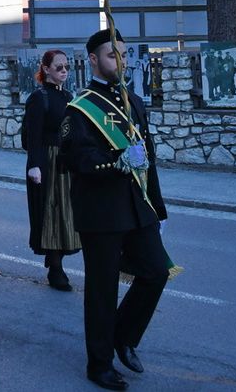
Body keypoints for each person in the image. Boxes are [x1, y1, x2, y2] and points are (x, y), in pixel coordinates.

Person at [60, 29, 178, 391]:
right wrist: (116, 161)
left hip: (137, 207)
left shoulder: (135, 102)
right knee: (102, 288)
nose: (121, 61)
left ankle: (122, 335)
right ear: (93, 59)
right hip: (101, 211)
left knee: (157, 271)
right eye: (113, 55)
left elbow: (148, 161)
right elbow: (73, 158)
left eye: (124, 55)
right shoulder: (79, 109)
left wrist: (156, 208)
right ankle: (99, 364)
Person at [24, 49, 80, 290]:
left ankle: (56, 258)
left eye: (66, 66)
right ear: (46, 69)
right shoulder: (39, 98)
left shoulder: (69, 95)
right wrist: (35, 165)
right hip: (47, 160)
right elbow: (31, 136)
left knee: (68, 211)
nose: (64, 71)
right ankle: (55, 269)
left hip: (67, 160)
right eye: (59, 67)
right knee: (52, 212)